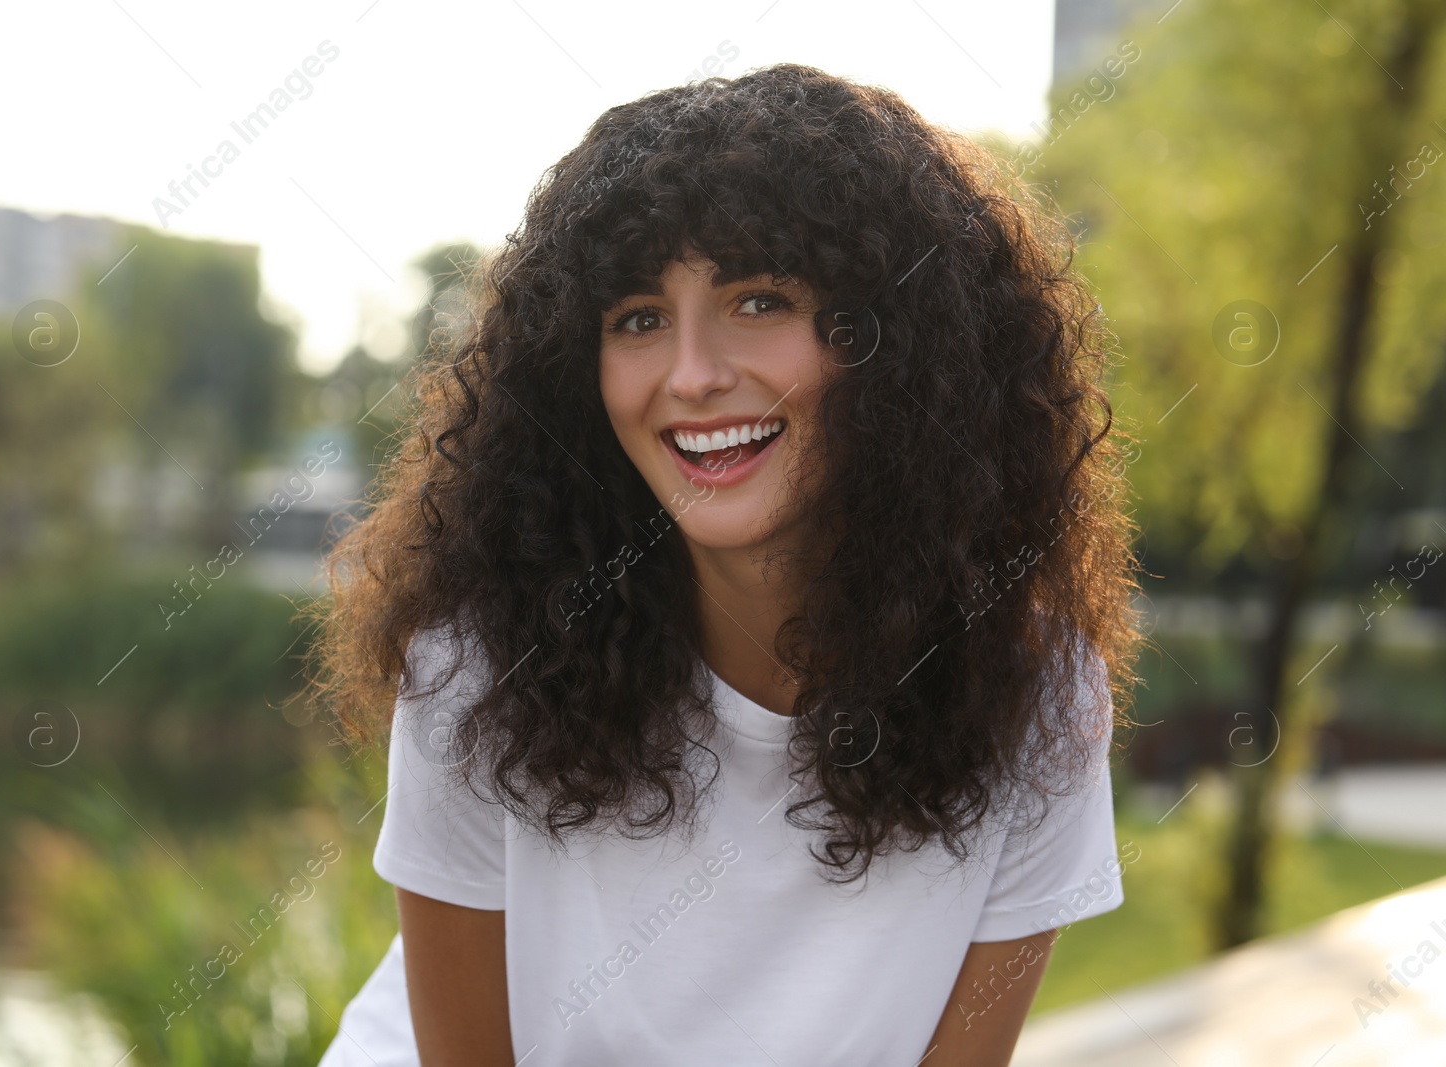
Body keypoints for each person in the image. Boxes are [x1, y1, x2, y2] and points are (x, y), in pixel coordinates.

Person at [308, 61, 1144, 1067]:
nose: (693, 375)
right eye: (638, 319)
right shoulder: (480, 669)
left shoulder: (1038, 698)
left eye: (760, 301)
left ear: (896, 346)